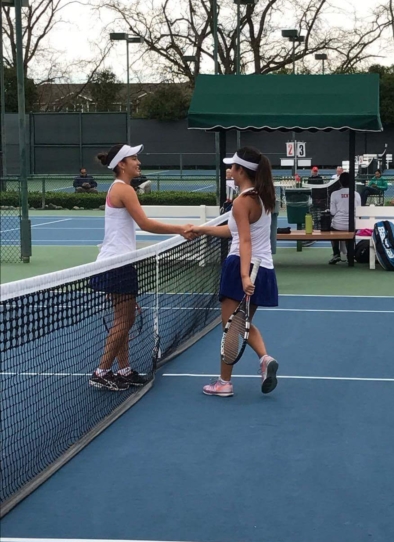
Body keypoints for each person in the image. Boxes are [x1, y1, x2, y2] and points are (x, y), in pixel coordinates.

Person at [89, 143, 194, 392]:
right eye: (133, 158)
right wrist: (180, 229)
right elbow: (145, 224)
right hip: (116, 264)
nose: (138, 162)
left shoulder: (121, 188)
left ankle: (123, 370)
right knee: (124, 321)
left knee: (123, 320)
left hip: (116, 263)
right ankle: (101, 372)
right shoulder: (124, 189)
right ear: (122, 164)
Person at [192, 146, 279, 398]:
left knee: (231, 327)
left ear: (241, 171)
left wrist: (242, 276)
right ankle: (264, 359)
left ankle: (224, 382)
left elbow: (245, 243)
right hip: (263, 269)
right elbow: (236, 232)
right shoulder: (262, 197)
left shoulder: (243, 201)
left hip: (242, 266)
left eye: (232, 167)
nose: (229, 170)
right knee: (241, 324)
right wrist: (201, 230)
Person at [329, 172, 361, 264]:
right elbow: (359, 211)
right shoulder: (356, 194)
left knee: (333, 228)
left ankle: (336, 254)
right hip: (352, 225)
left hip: (338, 226)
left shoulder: (334, 194)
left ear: (340, 182)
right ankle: (350, 254)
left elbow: (332, 212)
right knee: (351, 232)